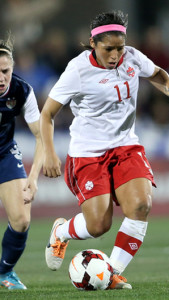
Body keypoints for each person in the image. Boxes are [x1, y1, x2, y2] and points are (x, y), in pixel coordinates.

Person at [40, 11, 169, 289]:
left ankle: (112, 272)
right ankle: (61, 232)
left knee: (141, 205)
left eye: (119, 48)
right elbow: (47, 113)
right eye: (108, 48)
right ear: (93, 44)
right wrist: (49, 153)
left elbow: (157, 73)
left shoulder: (132, 56)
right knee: (98, 226)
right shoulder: (77, 70)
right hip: (88, 153)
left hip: (126, 147)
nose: (115, 55)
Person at [0, 34, 43, 289]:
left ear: (12, 69)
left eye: (5, 70)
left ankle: (4, 272)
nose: (1, 77)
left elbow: (41, 137)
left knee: (22, 220)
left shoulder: (22, 90)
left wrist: (33, 177)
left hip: (4, 152)